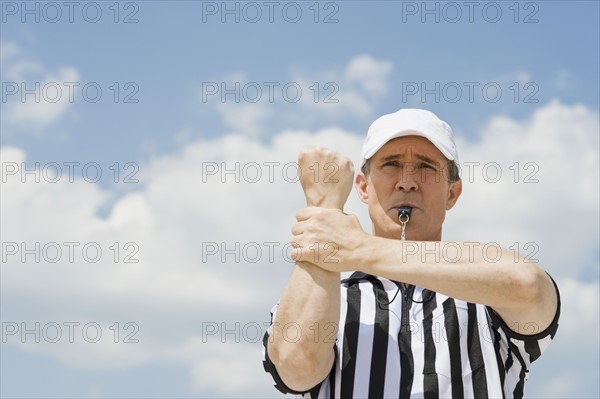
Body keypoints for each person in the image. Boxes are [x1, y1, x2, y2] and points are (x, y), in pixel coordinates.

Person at [262, 108, 560, 398]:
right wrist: (324, 208)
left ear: (452, 194)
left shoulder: (486, 296)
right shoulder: (331, 296)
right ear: (363, 188)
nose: (407, 181)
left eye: (426, 167)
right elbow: (296, 368)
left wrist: (356, 247)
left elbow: (530, 288)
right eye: (390, 164)